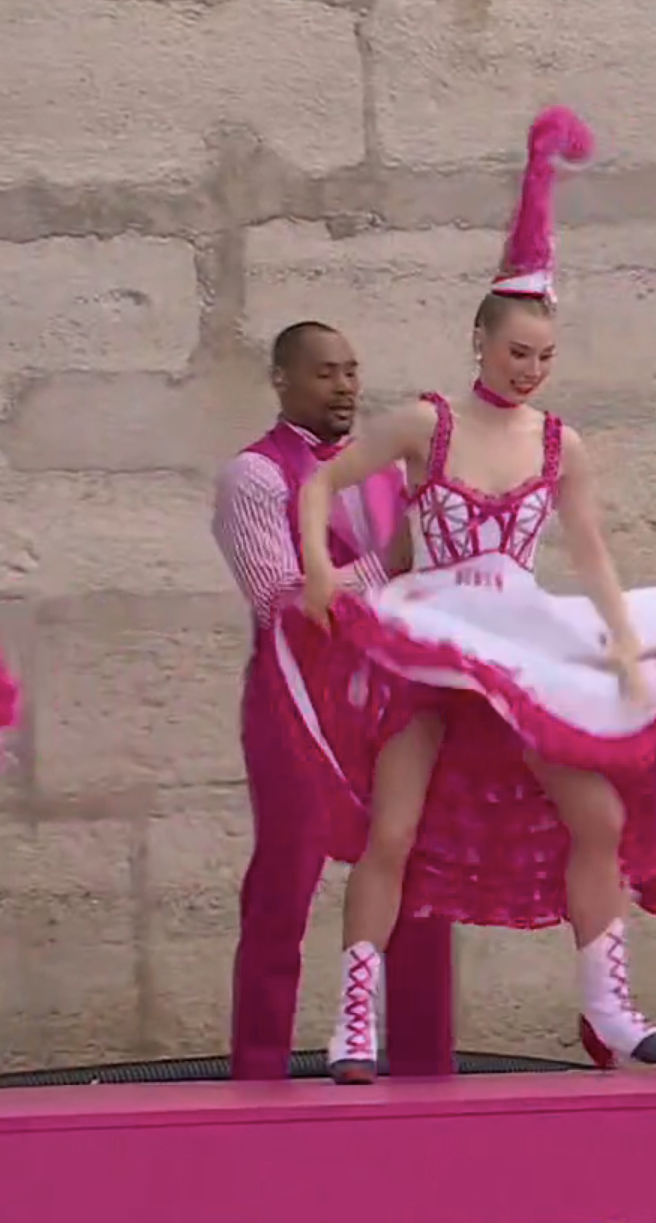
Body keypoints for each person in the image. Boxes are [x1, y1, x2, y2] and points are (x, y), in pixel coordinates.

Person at [287, 107, 656, 1083]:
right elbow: (319, 481)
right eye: (515, 350)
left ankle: (608, 1008)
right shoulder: (425, 422)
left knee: (599, 817)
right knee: (391, 829)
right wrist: (324, 573)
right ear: (481, 341)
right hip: (433, 637)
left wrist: (620, 641)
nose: (528, 368)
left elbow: (594, 556)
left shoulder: (558, 444)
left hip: (523, 641)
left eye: (543, 355)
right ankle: (351, 1021)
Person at [211, 320, 456, 1080]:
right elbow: (279, 596)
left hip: (389, 691)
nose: (346, 385)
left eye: (352, 370)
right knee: (288, 873)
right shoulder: (253, 475)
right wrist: (381, 581)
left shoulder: (381, 471)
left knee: (419, 872)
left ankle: (424, 1064)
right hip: (296, 698)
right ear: (283, 379)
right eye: (326, 373)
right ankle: (259, 1068)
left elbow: (420, 577)